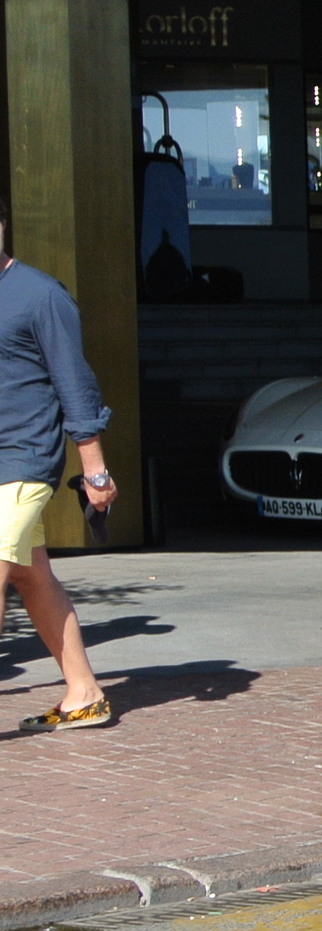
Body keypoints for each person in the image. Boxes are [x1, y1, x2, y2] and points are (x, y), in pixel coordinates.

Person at [0, 198, 116, 733]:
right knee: (31, 575)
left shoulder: (41, 296)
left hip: (23, 458)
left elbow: (75, 384)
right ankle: (85, 694)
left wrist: (94, 470)